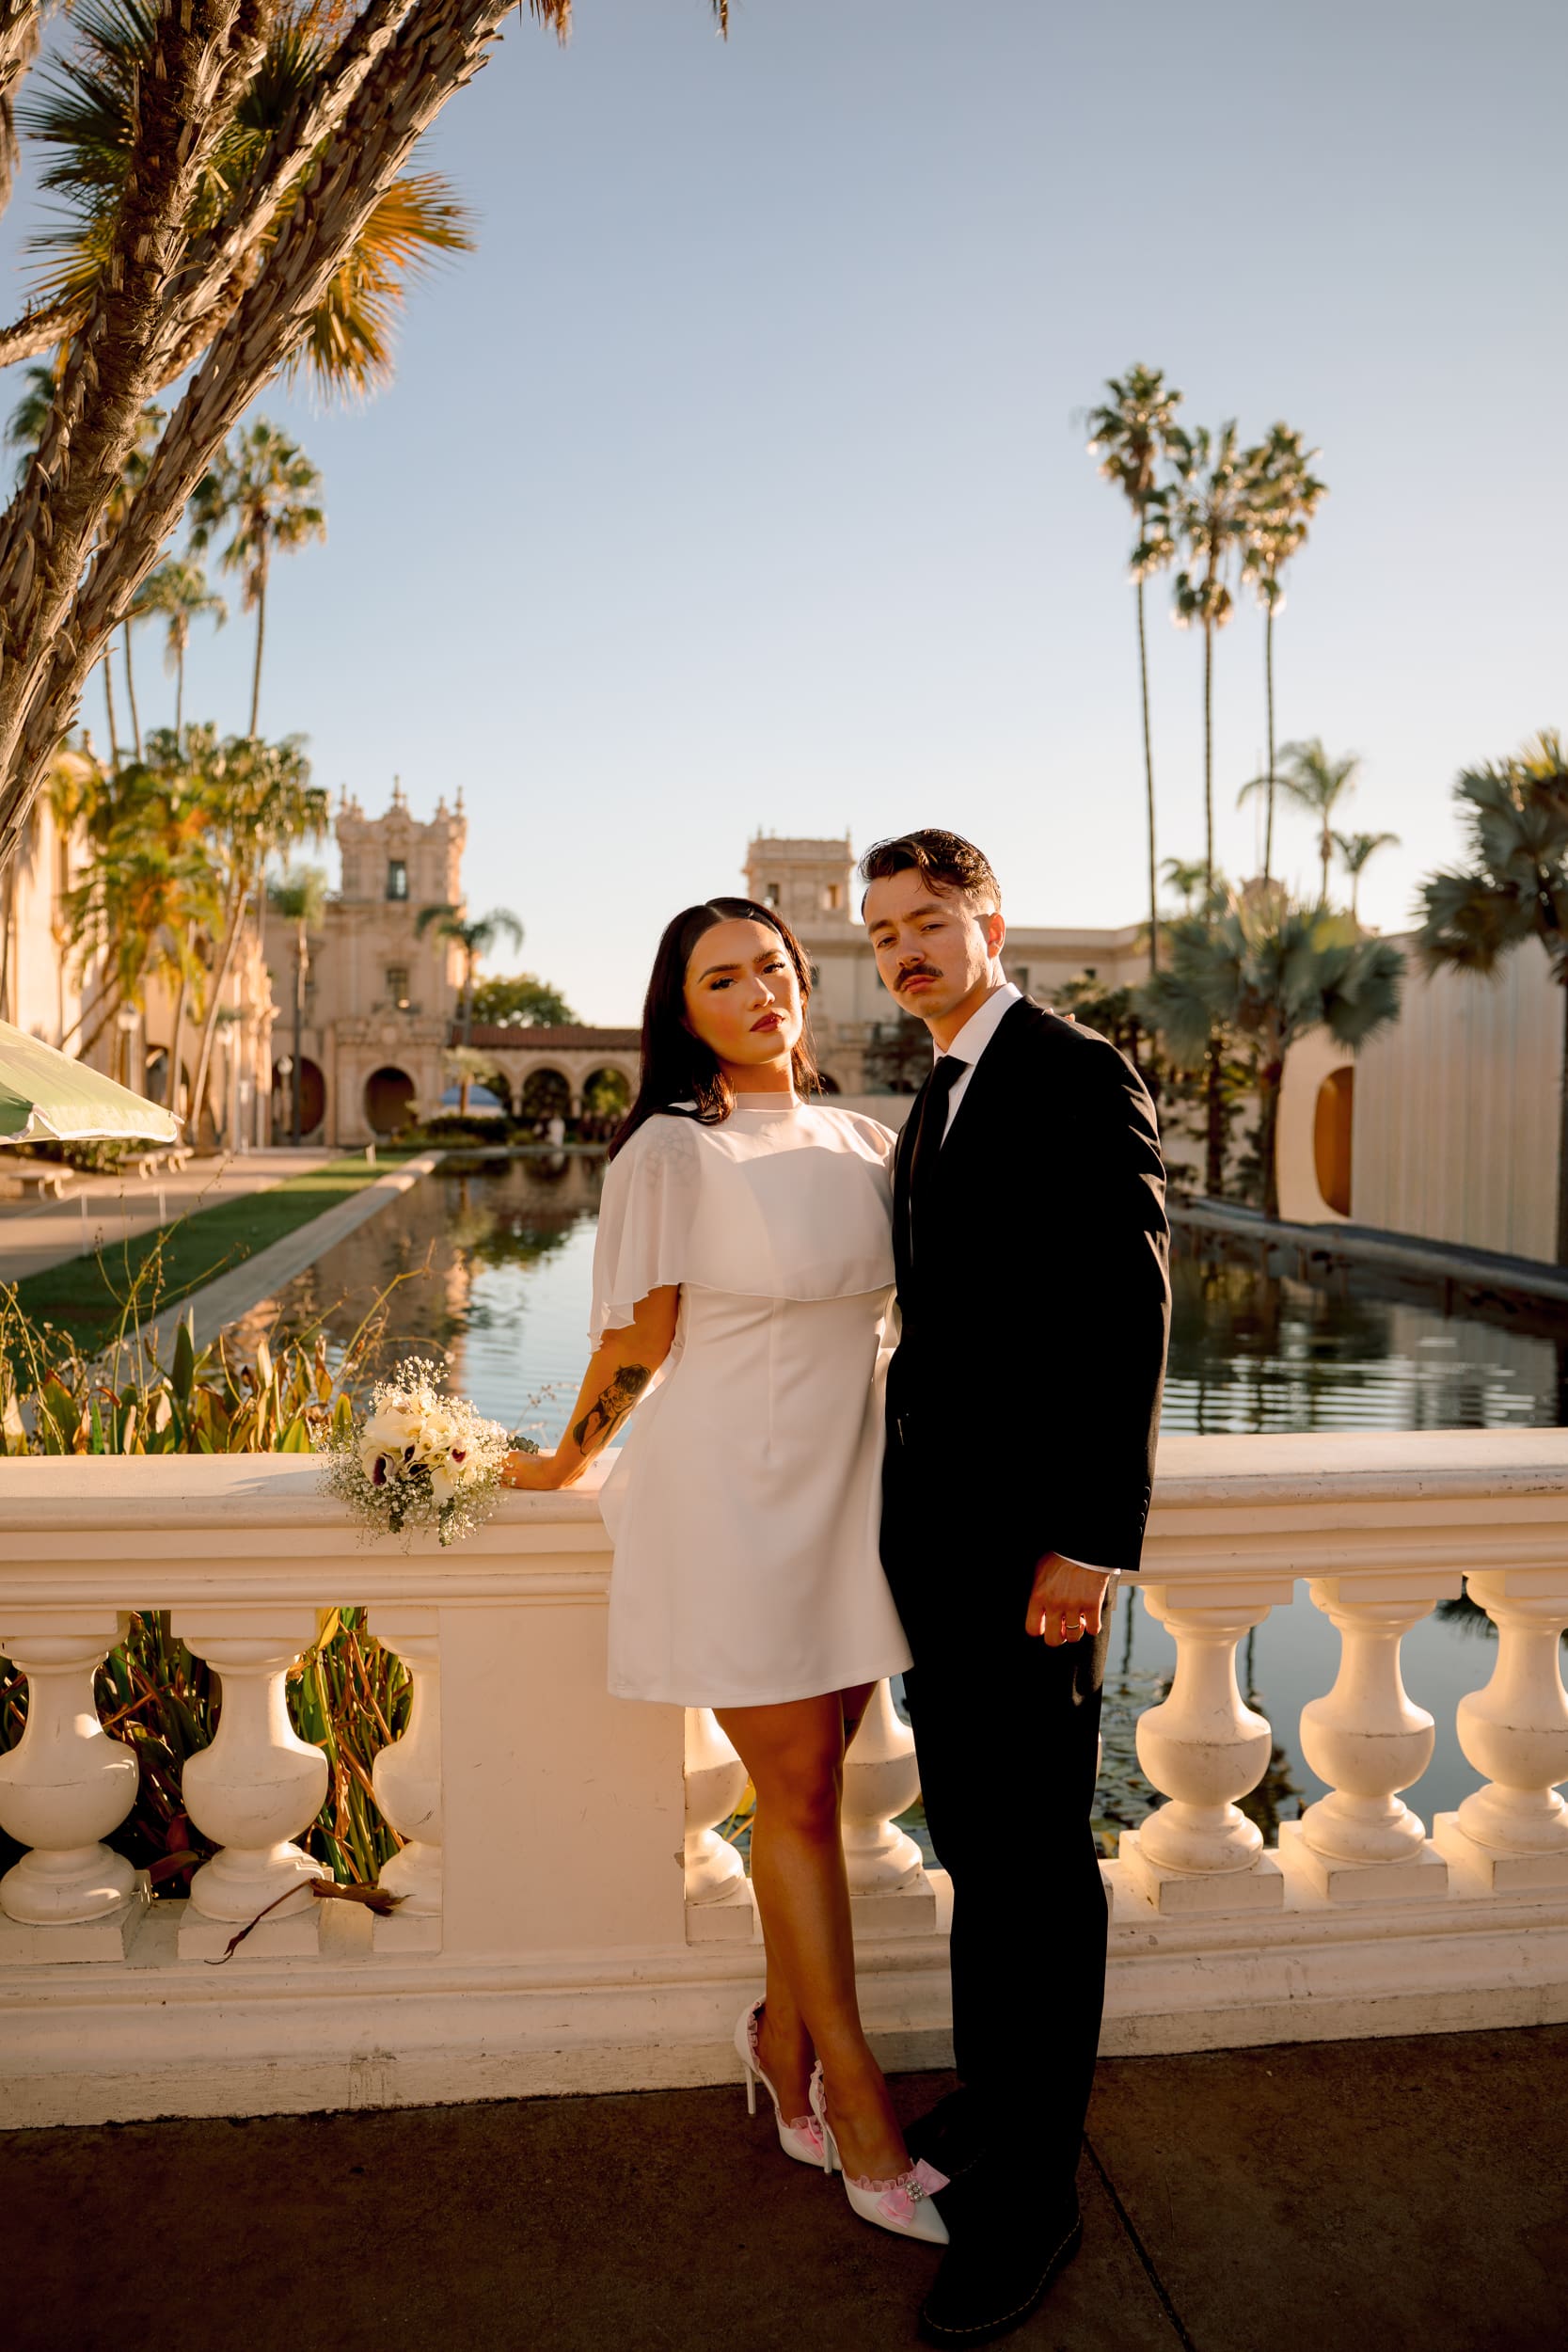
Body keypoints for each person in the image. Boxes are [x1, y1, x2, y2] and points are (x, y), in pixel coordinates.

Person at [500, 895, 949, 2247]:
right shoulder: (667, 1154)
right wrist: (562, 1462)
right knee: (802, 1794)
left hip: (856, 1504)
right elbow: (637, 1347)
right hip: (731, 1500)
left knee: (800, 1793)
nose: (760, 991)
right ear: (680, 1011)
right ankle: (857, 2106)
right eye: (722, 978)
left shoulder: (867, 1137)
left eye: (773, 967)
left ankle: (775, 2039)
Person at [861, 829, 1170, 2348]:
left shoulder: (1067, 1063)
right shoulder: (939, 1087)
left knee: (1040, 1867)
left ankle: (1039, 2200)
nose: (904, 951)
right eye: (883, 934)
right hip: (941, 1543)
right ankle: (997, 2101)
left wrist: (1093, 1536)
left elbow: (1127, 1308)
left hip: (1034, 1556)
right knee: (980, 1839)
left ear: (992, 920)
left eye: (927, 922)